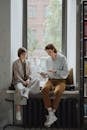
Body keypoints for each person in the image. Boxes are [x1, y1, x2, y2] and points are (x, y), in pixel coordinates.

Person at [41, 43, 69, 127]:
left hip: (61, 80)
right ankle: (51, 113)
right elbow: (48, 72)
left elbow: (66, 73)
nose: (48, 54)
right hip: (50, 80)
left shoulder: (62, 58)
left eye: (49, 52)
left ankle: (52, 114)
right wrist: (44, 74)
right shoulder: (47, 60)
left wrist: (56, 71)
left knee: (58, 92)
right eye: (47, 53)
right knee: (44, 89)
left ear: (53, 49)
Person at [12, 47, 39, 121]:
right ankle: (18, 111)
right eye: (23, 54)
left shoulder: (28, 62)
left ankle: (27, 91)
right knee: (19, 89)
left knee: (37, 80)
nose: (24, 55)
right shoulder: (15, 63)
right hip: (19, 81)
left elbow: (31, 73)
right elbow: (16, 75)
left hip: (27, 81)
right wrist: (23, 82)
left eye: (25, 54)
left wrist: (28, 79)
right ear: (19, 55)